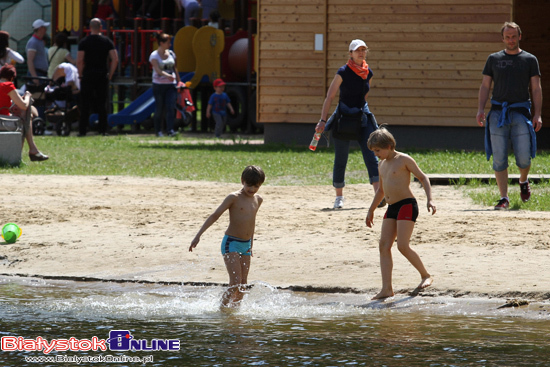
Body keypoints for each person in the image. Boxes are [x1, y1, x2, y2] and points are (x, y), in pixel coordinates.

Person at [476, 22, 543, 210]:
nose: (511, 40)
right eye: (507, 37)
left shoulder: (530, 60)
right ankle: (503, 198)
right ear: (502, 38)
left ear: (519, 37)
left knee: (523, 157)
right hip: (498, 113)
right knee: (499, 158)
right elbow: (485, 85)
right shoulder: (494, 59)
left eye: (514, 36)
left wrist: (537, 114)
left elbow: (536, 88)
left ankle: (523, 180)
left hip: (521, 113)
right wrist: (481, 109)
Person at [365, 125, 434, 300]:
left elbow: (423, 177)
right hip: (391, 207)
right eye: (373, 151)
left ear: (389, 146)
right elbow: (381, 190)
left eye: (377, 150)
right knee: (383, 245)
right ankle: (387, 288)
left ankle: (425, 275)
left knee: (402, 246)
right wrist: (371, 210)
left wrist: (430, 199)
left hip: (407, 205)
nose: (375, 154)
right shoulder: (381, 164)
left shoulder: (403, 160)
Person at [315, 39, 383, 209]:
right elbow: (330, 97)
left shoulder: (369, 73)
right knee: (341, 158)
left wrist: (362, 110)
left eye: (363, 50)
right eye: (357, 50)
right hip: (343, 117)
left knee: (372, 154)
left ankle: (378, 195)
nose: (361, 52)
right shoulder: (343, 71)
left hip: (362, 116)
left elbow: (365, 95)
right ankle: (339, 197)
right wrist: (323, 120)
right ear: (350, 54)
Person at [189, 165, 265, 307]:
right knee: (235, 282)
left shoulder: (258, 200)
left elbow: (251, 224)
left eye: (256, 186)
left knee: (243, 284)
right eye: (249, 185)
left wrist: (251, 245)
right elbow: (215, 215)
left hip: (246, 245)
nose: (252, 189)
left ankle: (235, 310)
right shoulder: (233, 198)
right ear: (242, 180)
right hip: (231, 243)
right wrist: (198, 235)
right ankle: (222, 309)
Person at [76, 18, 118, 136]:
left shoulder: (84, 42)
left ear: (89, 28)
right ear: (101, 28)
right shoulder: (107, 41)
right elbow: (115, 58)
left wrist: (80, 75)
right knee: (102, 103)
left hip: (88, 74)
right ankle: (103, 130)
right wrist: (110, 73)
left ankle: (82, 130)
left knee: (85, 103)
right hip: (102, 74)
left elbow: (79, 60)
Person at [0, 64, 48, 161]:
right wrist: (28, 96)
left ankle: (32, 150)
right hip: (3, 121)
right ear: (12, 77)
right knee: (27, 115)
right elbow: (24, 106)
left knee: (26, 114)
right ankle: (31, 150)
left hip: (3, 118)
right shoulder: (7, 86)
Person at [149, 32, 181, 137]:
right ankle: (158, 131)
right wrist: (167, 75)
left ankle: (170, 130)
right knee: (159, 108)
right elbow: (157, 70)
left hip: (171, 85)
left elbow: (175, 68)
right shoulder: (154, 55)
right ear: (161, 43)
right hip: (158, 85)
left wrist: (178, 80)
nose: (170, 44)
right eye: (168, 42)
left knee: (171, 107)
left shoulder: (172, 54)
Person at [26, 19, 50, 87]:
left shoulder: (40, 41)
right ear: (40, 29)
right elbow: (30, 60)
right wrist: (34, 77)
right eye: (44, 27)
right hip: (37, 74)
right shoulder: (33, 42)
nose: (46, 29)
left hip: (41, 74)